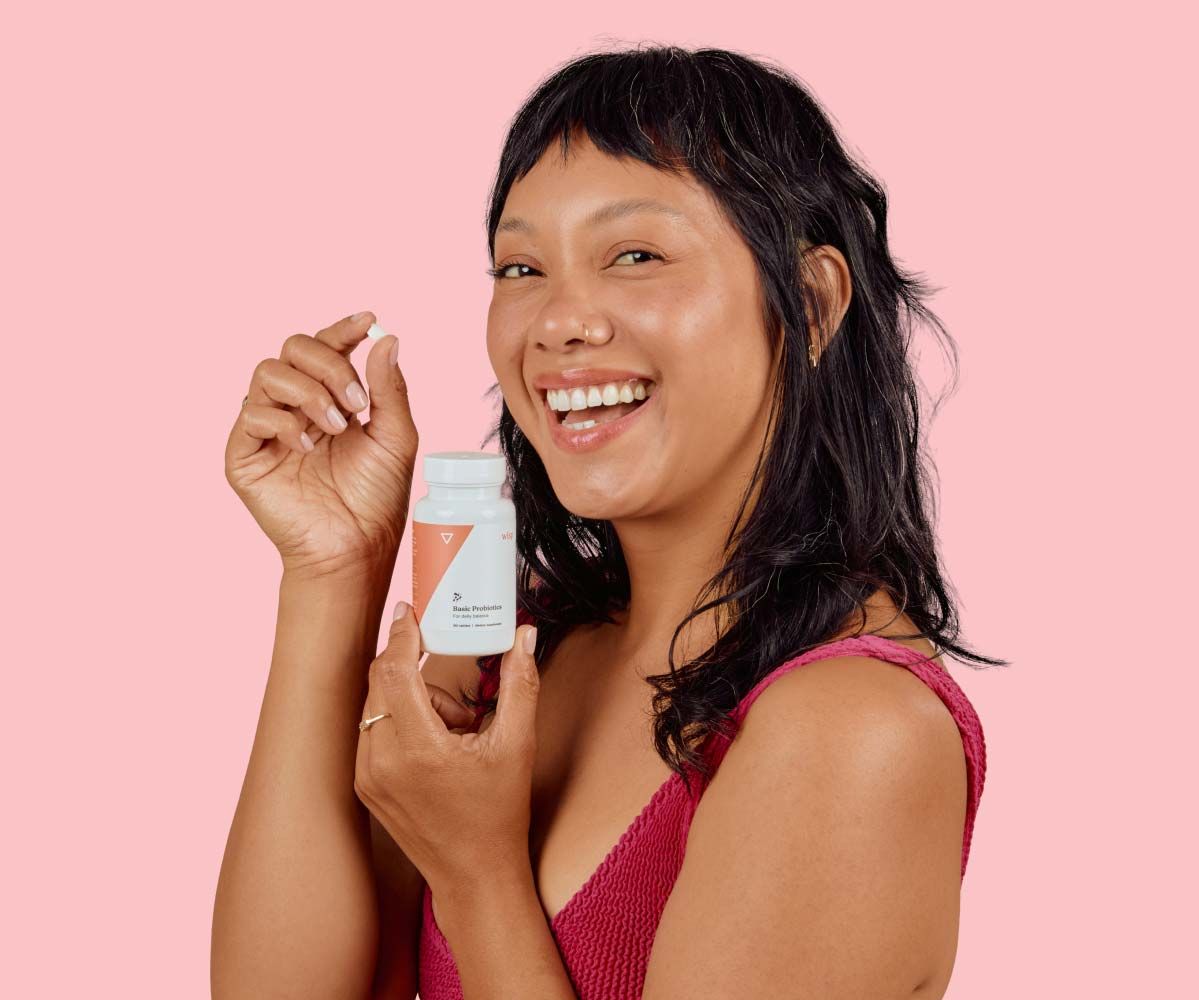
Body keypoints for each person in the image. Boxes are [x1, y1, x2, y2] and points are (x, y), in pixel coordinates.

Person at [212, 44, 1004, 1000]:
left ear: (811, 299)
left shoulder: (853, 732)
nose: (557, 320)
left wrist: (474, 873)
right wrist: (333, 573)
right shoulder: (525, 649)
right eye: (521, 266)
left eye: (635, 255)